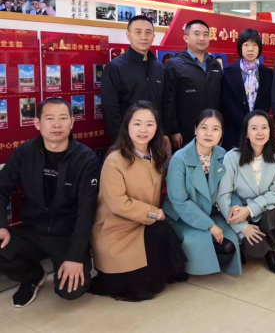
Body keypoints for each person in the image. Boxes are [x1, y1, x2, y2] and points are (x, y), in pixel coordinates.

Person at [0, 98, 99, 307]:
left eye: (63, 118)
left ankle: (71, 263)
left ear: (72, 122)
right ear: (37, 123)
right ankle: (32, 276)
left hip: (66, 234)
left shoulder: (86, 159)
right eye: (50, 118)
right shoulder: (24, 152)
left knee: (71, 291)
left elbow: (86, 212)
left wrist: (74, 256)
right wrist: (1, 225)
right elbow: (1, 189)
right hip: (32, 230)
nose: (56, 124)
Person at [90, 101, 187, 301]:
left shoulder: (156, 155)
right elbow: (118, 204)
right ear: (127, 126)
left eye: (150, 124)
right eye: (137, 123)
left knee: (164, 233)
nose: (143, 130)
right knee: (141, 289)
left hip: (142, 224)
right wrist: (153, 212)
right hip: (117, 230)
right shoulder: (114, 160)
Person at [163, 109, 242, 276]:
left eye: (215, 129)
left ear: (221, 133)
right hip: (182, 217)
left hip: (211, 213)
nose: (209, 133)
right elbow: (180, 202)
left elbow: (230, 189)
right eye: (204, 127)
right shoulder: (179, 159)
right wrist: (210, 225)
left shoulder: (222, 154)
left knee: (232, 242)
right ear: (195, 130)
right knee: (207, 243)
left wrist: (236, 207)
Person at [217, 110, 275, 274]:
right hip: (238, 211)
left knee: (272, 213)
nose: (260, 132)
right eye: (254, 128)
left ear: (270, 131)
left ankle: (270, 252)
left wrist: (251, 209)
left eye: (264, 127)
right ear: (246, 133)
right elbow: (223, 196)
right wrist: (243, 227)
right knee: (253, 246)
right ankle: (247, 245)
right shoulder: (231, 158)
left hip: (263, 210)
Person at [100, 15, 170, 144]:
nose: (144, 37)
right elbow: (110, 109)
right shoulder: (115, 67)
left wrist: (164, 132)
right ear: (128, 35)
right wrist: (119, 141)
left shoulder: (159, 67)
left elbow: (165, 103)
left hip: (155, 137)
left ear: (153, 37)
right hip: (127, 139)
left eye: (148, 33)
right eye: (138, 32)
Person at [165, 20, 223, 150]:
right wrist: (174, 130)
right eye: (196, 34)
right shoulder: (174, 65)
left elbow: (221, 100)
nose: (202, 38)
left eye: (205, 34)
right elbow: (169, 100)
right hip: (185, 133)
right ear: (186, 38)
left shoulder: (215, 65)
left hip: (212, 132)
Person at [221, 29, 273, 150]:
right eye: (246, 45)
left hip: (259, 130)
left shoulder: (268, 73)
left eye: (254, 45)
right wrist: (245, 123)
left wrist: (255, 123)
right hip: (235, 129)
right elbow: (228, 101)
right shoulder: (229, 72)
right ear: (240, 47)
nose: (250, 49)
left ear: (259, 48)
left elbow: (267, 101)